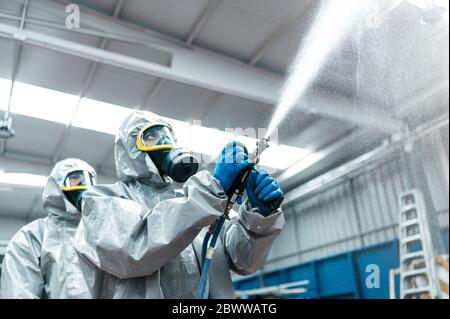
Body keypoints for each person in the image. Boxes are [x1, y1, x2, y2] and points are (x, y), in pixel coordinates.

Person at [73, 111, 285, 298]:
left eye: (167, 135)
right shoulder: (101, 202)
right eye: (151, 136)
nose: (164, 141)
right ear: (131, 149)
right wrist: (212, 189)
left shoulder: (196, 202)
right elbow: (134, 250)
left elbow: (244, 261)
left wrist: (259, 218)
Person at [0, 158, 96, 299]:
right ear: (56, 185)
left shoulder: (100, 235)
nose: (83, 184)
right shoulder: (32, 237)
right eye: (75, 178)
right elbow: (19, 292)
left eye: (88, 180)